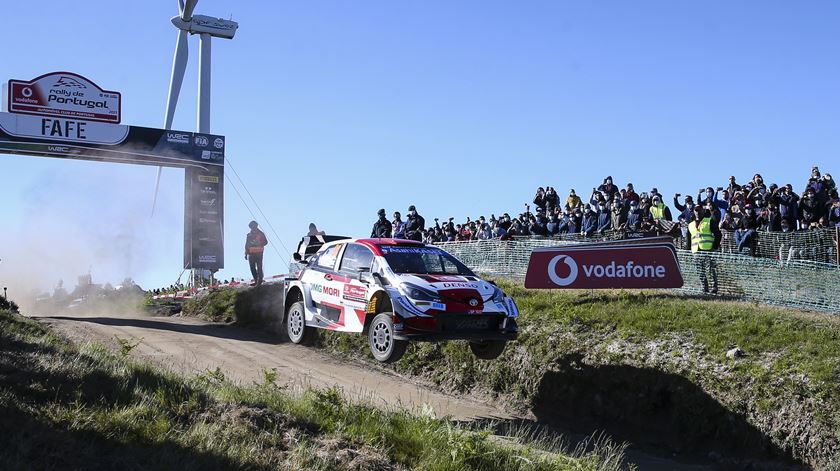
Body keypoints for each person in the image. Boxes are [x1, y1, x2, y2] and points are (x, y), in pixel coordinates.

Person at [688, 205, 720, 294]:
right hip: (696, 250)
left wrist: (715, 247)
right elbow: (688, 239)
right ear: (694, 212)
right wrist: (688, 251)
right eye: (696, 210)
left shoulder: (709, 221)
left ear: (703, 211)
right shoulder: (690, 225)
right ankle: (704, 288)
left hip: (708, 249)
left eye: (699, 210)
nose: (697, 212)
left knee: (710, 269)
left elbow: (718, 234)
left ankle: (714, 288)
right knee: (700, 271)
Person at [245, 221, 268, 286]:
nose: (252, 228)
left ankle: (260, 281)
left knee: (259, 267)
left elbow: (266, 242)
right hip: (251, 253)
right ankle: (256, 280)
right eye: (251, 227)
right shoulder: (249, 235)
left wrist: (259, 243)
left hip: (259, 252)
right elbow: (246, 245)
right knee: (252, 268)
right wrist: (246, 253)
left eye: (253, 226)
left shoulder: (261, 234)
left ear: (256, 226)